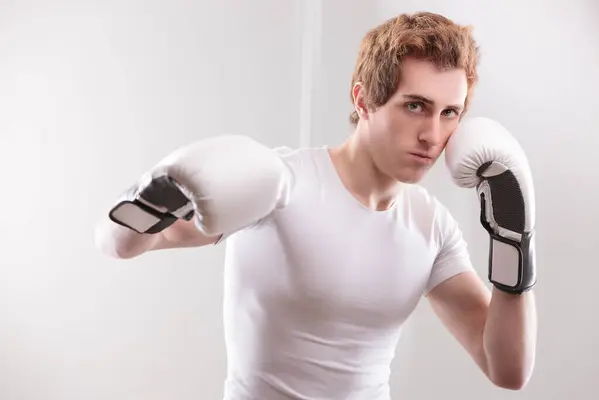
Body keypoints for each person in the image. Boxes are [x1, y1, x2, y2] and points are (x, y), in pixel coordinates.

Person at [95, 11, 538, 400]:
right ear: (363, 100)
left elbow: (507, 369)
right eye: (416, 106)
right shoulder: (278, 184)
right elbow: (123, 245)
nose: (432, 135)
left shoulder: (432, 225)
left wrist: (513, 240)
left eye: (449, 113)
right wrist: (159, 193)